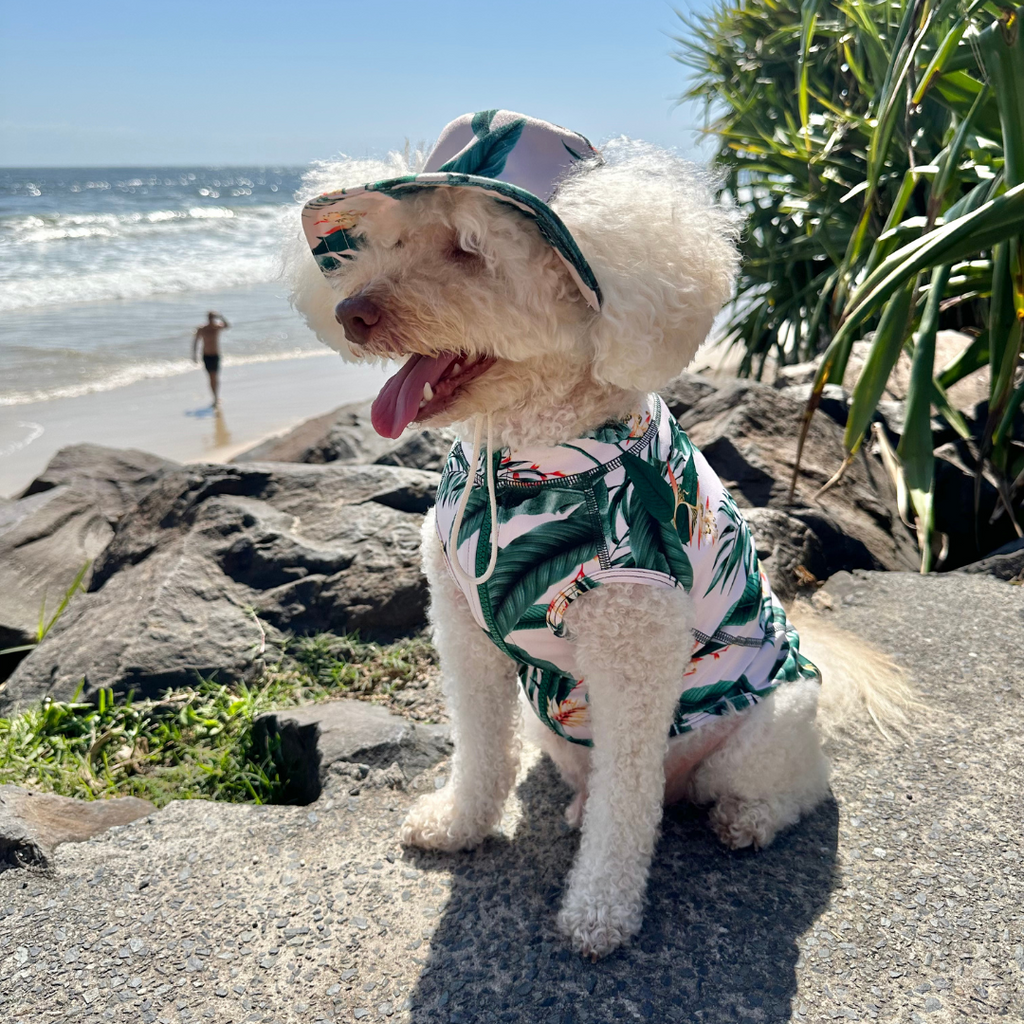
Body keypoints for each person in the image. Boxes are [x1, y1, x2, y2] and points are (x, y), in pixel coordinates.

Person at [193, 312, 229, 406]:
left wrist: (221, 317)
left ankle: (216, 397)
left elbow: (227, 326)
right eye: (210, 317)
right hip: (206, 356)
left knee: (215, 377)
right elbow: (196, 341)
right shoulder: (202, 329)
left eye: (213, 317)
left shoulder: (216, 327)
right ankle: (215, 397)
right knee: (211, 377)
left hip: (216, 355)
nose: (211, 319)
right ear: (207, 318)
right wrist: (194, 355)